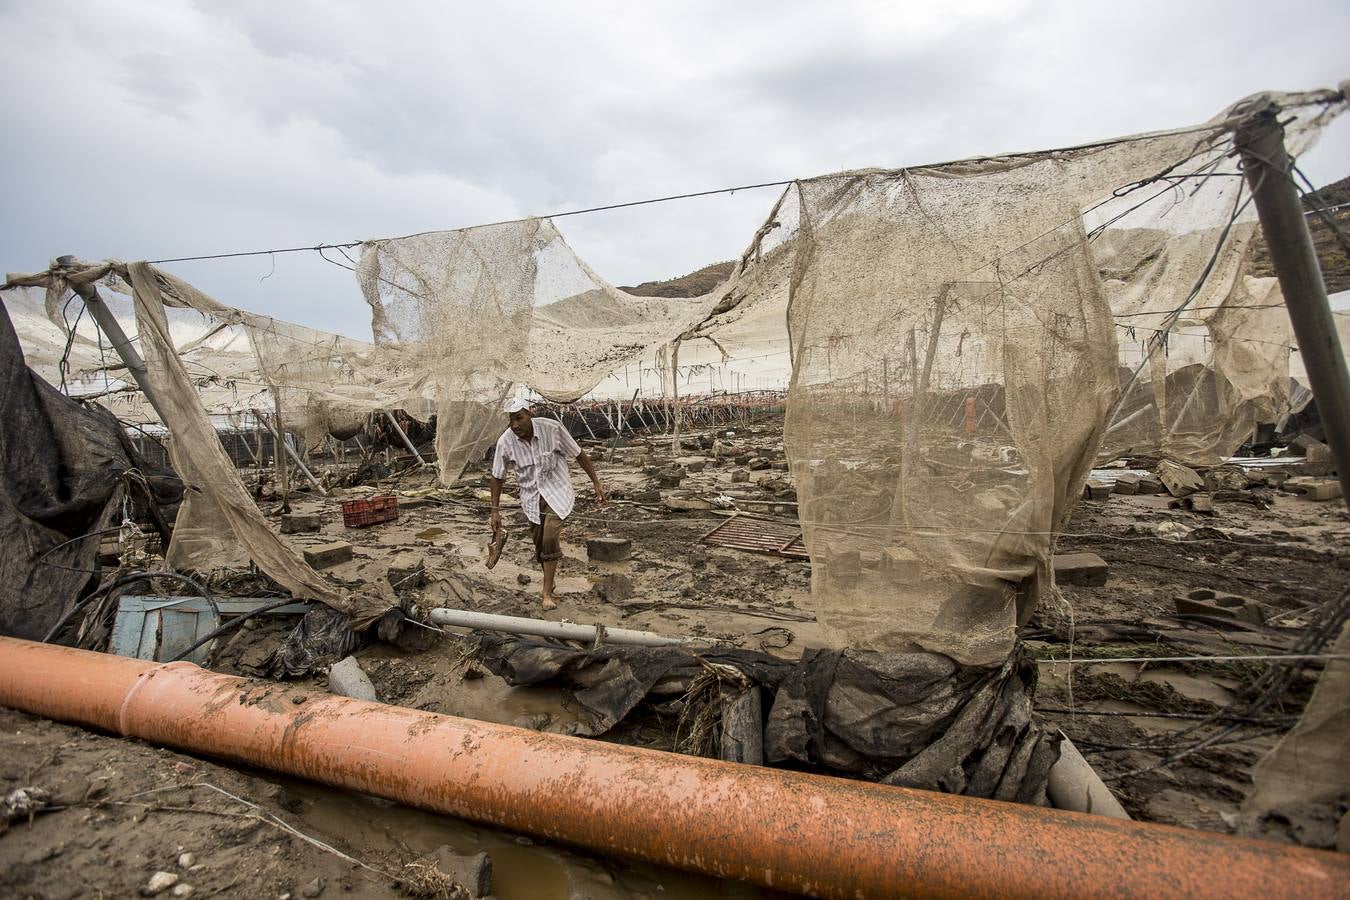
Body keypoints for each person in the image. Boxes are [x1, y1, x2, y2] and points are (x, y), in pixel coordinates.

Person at [489, 399, 606, 610]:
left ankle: (545, 593)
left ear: (529, 414)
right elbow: (497, 477)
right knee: (541, 546)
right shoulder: (505, 442)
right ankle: (550, 582)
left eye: (519, 418)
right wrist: (495, 511)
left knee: (551, 536)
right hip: (530, 498)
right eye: (511, 420)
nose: (515, 425)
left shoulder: (551, 428)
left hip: (557, 492)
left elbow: (579, 454)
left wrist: (596, 483)